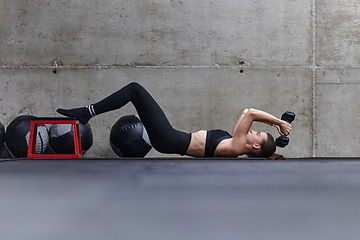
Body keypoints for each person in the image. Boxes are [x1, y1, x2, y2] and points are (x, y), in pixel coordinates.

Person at [57, 82, 292, 159]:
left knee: (135, 90)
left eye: (257, 134)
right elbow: (246, 112)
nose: (253, 131)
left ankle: (87, 112)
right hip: (170, 139)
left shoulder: (237, 146)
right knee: (135, 91)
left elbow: (251, 114)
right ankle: (87, 112)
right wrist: (273, 124)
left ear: (256, 146)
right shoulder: (233, 141)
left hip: (169, 140)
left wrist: (277, 123)